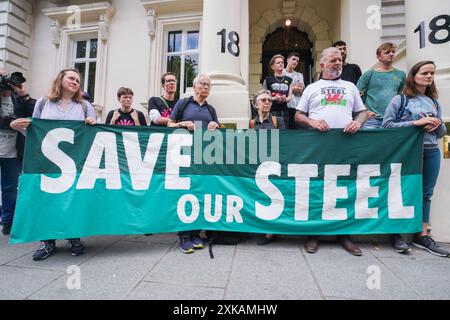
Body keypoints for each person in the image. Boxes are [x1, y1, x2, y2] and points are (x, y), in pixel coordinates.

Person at [10, 68, 97, 261]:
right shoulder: (43, 103)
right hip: (47, 161)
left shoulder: (84, 106)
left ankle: (74, 236)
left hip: (75, 163)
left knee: (73, 198)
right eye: (71, 78)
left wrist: (92, 123)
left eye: (77, 80)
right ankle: (47, 240)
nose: (75, 82)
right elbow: (35, 133)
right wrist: (18, 127)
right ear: (60, 79)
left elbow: (96, 133)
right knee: (46, 199)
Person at [295, 47, 369, 256]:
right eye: (334, 60)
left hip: (345, 144)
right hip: (319, 145)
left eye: (341, 60)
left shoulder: (350, 86)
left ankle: (344, 235)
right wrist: (312, 121)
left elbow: (362, 112)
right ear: (322, 65)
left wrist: (357, 122)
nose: (338, 63)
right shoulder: (312, 88)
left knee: (344, 187)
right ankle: (314, 233)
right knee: (318, 188)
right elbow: (298, 115)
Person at [382, 61, 448, 258]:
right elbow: (386, 126)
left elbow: (441, 133)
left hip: (431, 150)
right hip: (407, 152)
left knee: (426, 193)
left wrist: (437, 124)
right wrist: (416, 123)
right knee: (401, 190)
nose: (429, 76)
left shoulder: (435, 102)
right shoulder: (400, 100)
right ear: (414, 75)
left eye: (432, 73)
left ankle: (422, 233)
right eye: (425, 72)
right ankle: (396, 233)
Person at [168, 74, 219, 253]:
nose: (205, 87)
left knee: (200, 193)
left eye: (208, 85)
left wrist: (215, 125)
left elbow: (218, 132)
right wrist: (183, 123)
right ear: (194, 86)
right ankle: (184, 236)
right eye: (202, 84)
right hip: (184, 156)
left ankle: (196, 233)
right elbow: (169, 125)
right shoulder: (183, 103)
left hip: (204, 158)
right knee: (185, 194)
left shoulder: (211, 109)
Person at [0, 67, 35, 236]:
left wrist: (22, 94)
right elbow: (9, 122)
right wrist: (10, 123)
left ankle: (8, 222)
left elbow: (34, 111)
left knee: (10, 188)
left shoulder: (17, 99)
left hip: (12, 152)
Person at [249, 89, 285, 245]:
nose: (267, 103)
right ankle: (260, 227)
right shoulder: (251, 123)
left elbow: (286, 143)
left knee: (274, 198)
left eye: (269, 100)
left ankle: (271, 231)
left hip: (273, 166)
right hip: (257, 165)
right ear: (255, 104)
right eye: (263, 100)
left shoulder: (278, 121)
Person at [357, 42, 406, 129]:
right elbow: (357, 97)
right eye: (387, 52)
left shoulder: (401, 74)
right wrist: (365, 112)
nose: (391, 54)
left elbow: (399, 96)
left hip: (392, 119)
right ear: (379, 57)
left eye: (393, 52)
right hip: (372, 120)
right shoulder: (369, 74)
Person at [263, 54, 293, 128]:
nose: (281, 64)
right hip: (271, 111)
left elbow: (289, 97)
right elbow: (264, 96)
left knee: (284, 135)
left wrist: (285, 99)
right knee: (272, 135)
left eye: (282, 62)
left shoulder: (289, 80)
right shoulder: (267, 80)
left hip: (284, 112)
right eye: (278, 62)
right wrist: (274, 98)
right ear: (273, 67)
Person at [283, 52, 304, 129]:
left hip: (296, 107)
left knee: (295, 130)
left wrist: (287, 87)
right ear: (288, 60)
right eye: (293, 59)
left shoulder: (299, 75)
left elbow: (300, 90)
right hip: (284, 106)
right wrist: (293, 88)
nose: (295, 62)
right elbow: (280, 90)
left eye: (297, 61)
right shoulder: (281, 74)